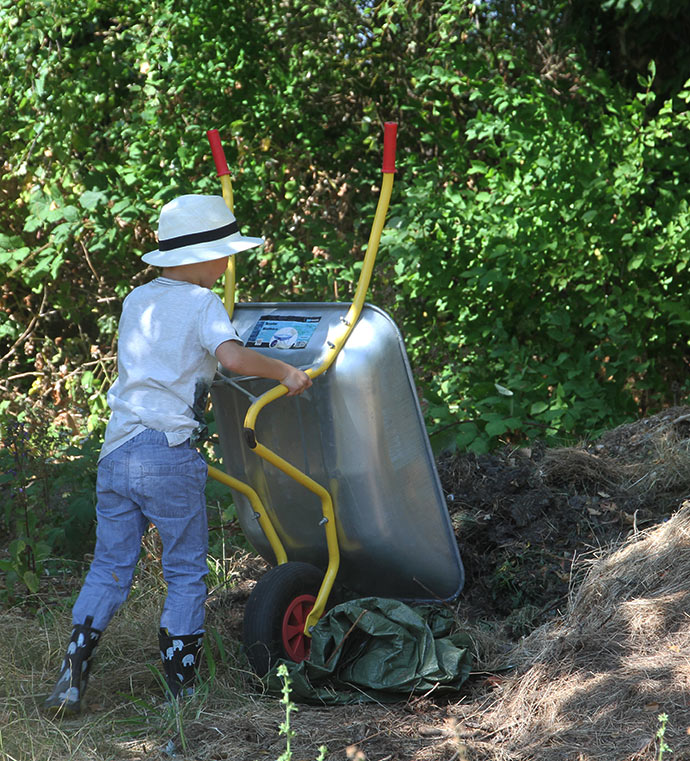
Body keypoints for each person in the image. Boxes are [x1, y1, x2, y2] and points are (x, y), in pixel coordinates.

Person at [44, 194, 312, 714]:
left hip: (117, 451)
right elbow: (231, 358)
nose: (227, 263)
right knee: (186, 572)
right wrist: (285, 372)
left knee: (109, 567)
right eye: (225, 255)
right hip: (166, 452)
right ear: (201, 258)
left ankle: (71, 679)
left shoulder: (137, 300)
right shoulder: (203, 304)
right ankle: (181, 695)